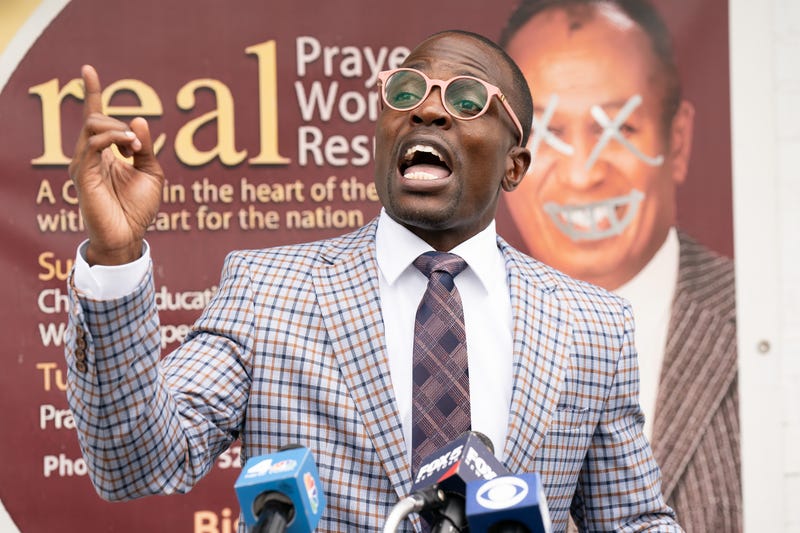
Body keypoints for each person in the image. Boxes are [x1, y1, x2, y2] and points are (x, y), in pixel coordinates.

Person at [64, 30, 681, 531]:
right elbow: (134, 462)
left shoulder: (591, 324)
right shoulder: (269, 291)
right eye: (406, 91)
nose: (429, 109)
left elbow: (629, 522)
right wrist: (116, 256)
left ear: (515, 164)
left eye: (467, 100)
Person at [499, 1, 740, 531]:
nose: (584, 174)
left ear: (677, 142)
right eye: (548, 134)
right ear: (508, 162)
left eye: (619, 129)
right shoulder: (454, 331)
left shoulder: (767, 320)